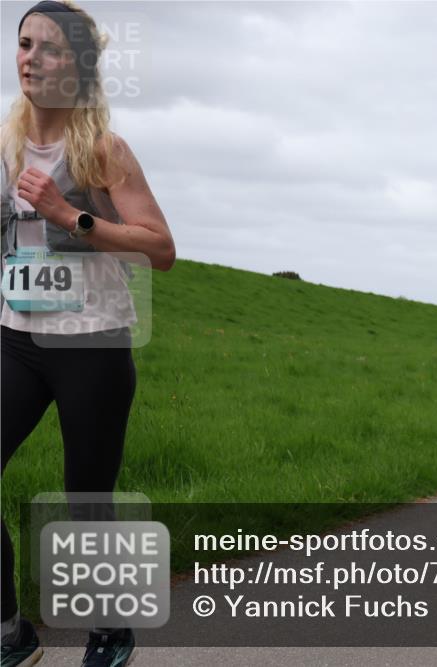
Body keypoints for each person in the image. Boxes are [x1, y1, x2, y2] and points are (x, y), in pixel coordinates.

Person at [1, 3, 175, 666]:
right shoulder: (7, 143)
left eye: (48, 49)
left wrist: (69, 215)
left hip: (93, 343)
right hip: (15, 336)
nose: (30, 59)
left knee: (86, 497)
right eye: (24, 45)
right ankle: (10, 629)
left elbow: (160, 249)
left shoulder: (103, 150)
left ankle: (110, 629)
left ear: (78, 66)